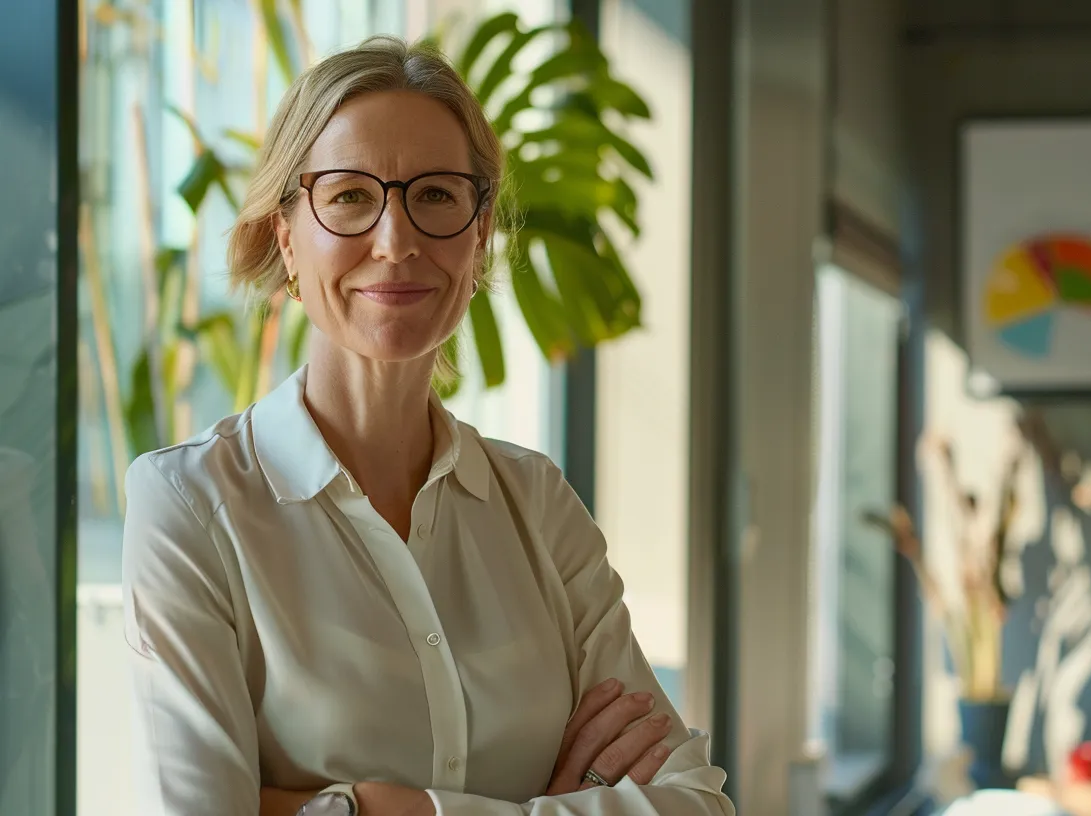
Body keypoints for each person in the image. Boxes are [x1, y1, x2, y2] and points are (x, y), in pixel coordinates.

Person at [120, 35, 732, 816]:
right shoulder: (190, 505)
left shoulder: (537, 502)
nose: (397, 240)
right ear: (286, 236)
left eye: (437, 195)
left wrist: (376, 807)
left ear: (478, 236)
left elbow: (696, 805)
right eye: (348, 196)